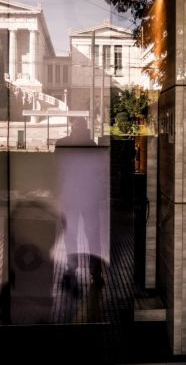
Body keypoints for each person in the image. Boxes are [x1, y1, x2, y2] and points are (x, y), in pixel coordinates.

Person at [55, 117, 106, 294]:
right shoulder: (92, 146)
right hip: (88, 197)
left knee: (71, 235)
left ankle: (72, 269)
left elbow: (57, 171)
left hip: (70, 197)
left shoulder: (62, 145)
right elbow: (99, 172)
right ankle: (95, 272)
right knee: (92, 235)